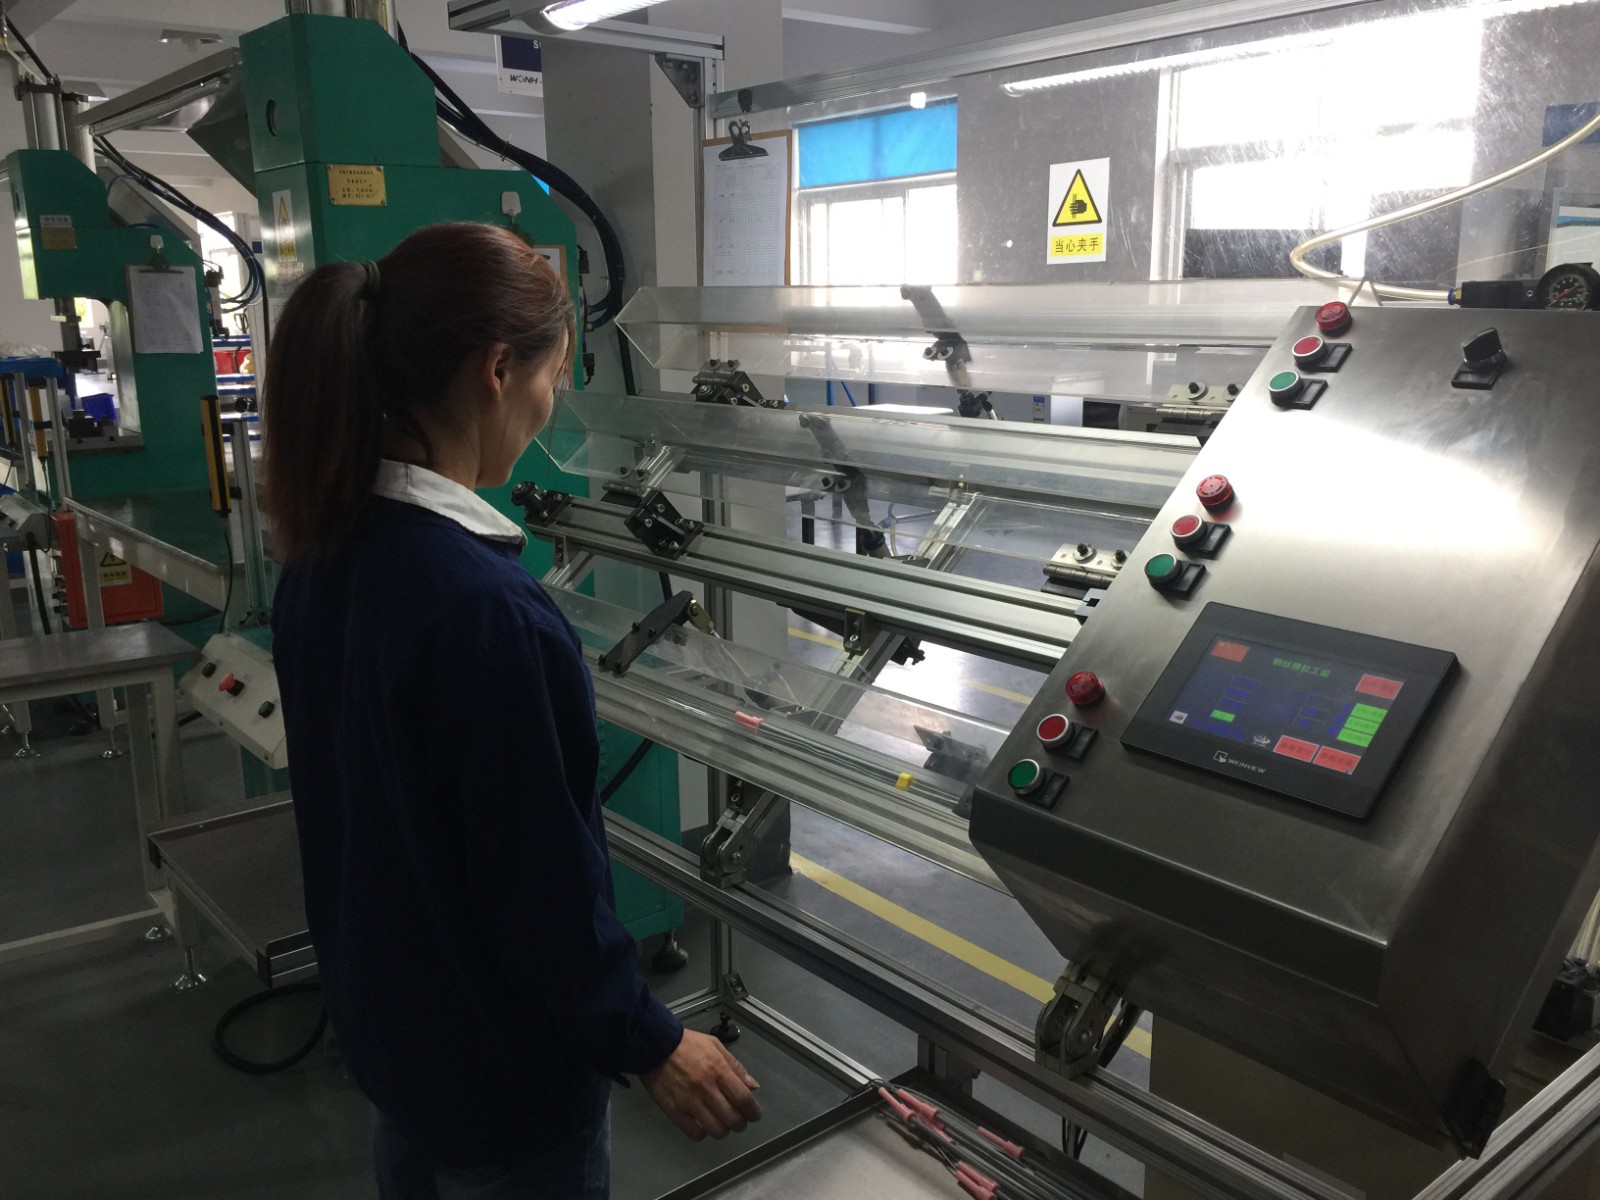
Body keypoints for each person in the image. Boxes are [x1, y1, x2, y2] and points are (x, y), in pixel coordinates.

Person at [262, 222, 762, 1200]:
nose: (551, 402)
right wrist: (650, 1039)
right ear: (496, 369)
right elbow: (537, 886)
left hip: (402, 1048)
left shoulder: (321, 557)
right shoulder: (488, 613)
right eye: (553, 375)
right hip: (504, 1082)